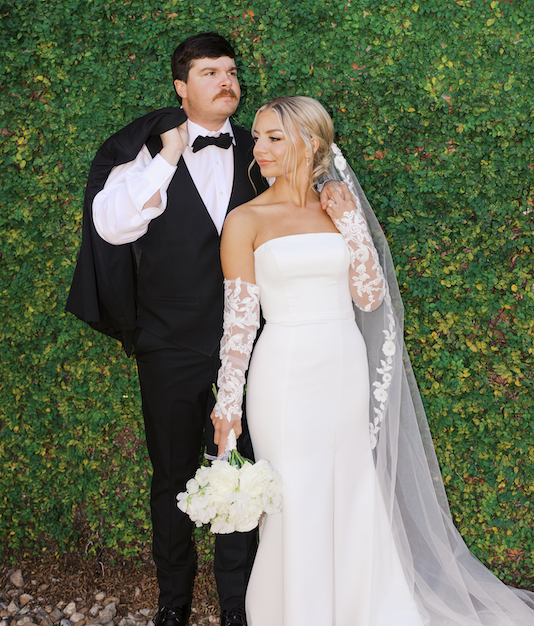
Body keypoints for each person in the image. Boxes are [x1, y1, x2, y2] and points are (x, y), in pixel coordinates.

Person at [210, 96, 534, 626]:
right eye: (258, 138)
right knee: (296, 497)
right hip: (284, 373)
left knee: (352, 486)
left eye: (274, 137)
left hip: (343, 365)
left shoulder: (339, 206)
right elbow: (240, 322)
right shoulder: (245, 220)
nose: (259, 148)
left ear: (312, 144)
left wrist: (352, 225)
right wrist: (228, 406)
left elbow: (368, 295)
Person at [67, 33, 280, 626]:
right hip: (170, 342)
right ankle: (174, 602)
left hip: (254, 344)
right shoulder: (143, 154)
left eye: (231, 70)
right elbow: (110, 228)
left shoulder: (261, 149)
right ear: (181, 88)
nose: (226, 80)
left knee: (244, 467)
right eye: (210, 72)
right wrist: (165, 157)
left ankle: (239, 604)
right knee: (173, 475)